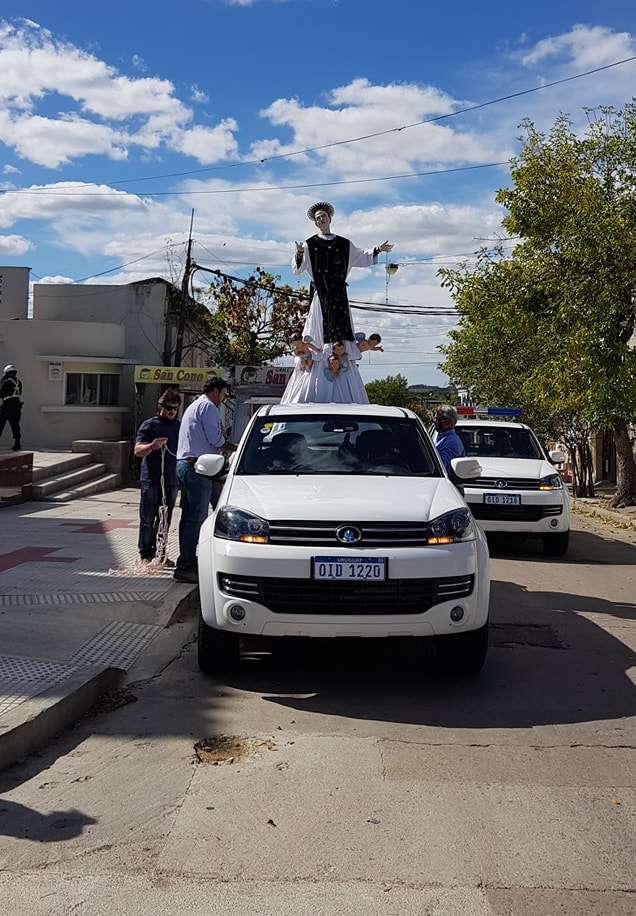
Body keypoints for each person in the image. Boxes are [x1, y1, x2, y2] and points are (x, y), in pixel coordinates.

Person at [285, 202, 393, 406]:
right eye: (317, 217)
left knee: (342, 334)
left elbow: (361, 256)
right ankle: (317, 370)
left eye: (323, 215)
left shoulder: (344, 244)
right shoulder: (310, 244)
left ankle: (340, 366)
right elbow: (297, 269)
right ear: (315, 223)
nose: (321, 219)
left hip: (340, 297)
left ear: (330, 218)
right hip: (321, 297)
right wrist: (299, 254)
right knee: (318, 333)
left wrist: (377, 249)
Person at [173, 377, 236, 584]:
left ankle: (189, 562)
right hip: (199, 468)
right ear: (216, 391)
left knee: (191, 517)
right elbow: (216, 439)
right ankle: (186, 566)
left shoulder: (195, 405)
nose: (223, 399)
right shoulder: (208, 407)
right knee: (196, 518)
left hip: (191, 465)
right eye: (224, 395)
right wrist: (235, 448)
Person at [134, 388, 181, 567]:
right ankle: (146, 554)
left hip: (171, 480)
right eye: (169, 408)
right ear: (161, 406)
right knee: (147, 518)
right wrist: (152, 446)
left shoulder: (179, 426)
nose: (172, 412)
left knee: (165, 520)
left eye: (175, 409)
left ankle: (160, 554)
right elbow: (137, 451)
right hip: (151, 479)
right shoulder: (149, 425)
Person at [433, 405, 465, 472]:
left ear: (448, 422)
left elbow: (440, 465)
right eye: (435, 419)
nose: (435, 422)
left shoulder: (451, 442)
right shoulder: (441, 438)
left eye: (438, 420)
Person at [0, 365, 23, 451]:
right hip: (16, 406)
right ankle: (17, 443)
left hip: (7, 406)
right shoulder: (18, 382)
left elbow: (1, 393)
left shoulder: (6, 382)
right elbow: (19, 393)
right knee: (15, 425)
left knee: (0, 423)